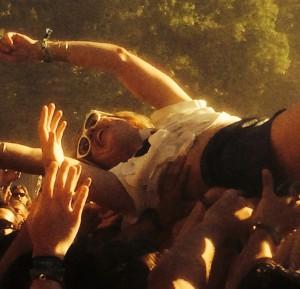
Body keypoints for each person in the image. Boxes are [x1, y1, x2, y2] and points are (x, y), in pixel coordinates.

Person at [1, 31, 300, 223]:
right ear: (101, 167)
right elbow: (37, 159)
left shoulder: (175, 113)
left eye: (93, 121)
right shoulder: (125, 186)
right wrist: (52, 157)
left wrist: (40, 50)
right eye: (85, 148)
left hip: (257, 134)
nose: (90, 133)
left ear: (125, 119)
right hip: (235, 166)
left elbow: (120, 59)